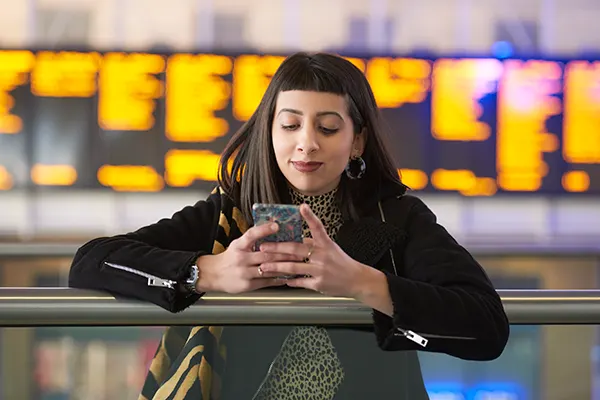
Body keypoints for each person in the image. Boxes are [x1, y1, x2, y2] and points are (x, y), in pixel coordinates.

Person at [69, 52, 510, 400]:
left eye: (328, 127)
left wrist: (364, 283)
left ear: (357, 140)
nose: (307, 143)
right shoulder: (230, 214)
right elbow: (90, 262)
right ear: (270, 133)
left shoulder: (395, 217)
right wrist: (209, 272)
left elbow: (487, 329)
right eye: (291, 124)